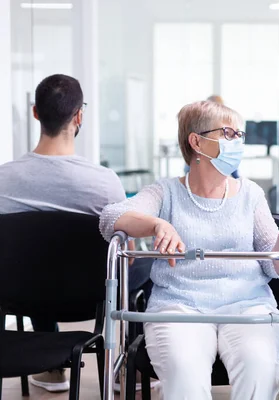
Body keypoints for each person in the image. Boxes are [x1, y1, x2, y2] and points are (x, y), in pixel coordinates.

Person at [100, 100, 279, 400]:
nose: (237, 141)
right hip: (179, 306)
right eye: (228, 133)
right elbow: (110, 218)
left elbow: (272, 265)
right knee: (184, 371)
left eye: (239, 134)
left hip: (247, 305)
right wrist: (157, 225)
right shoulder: (166, 192)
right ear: (196, 141)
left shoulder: (251, 194)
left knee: (259, 366)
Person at [0, 74, 146, 393]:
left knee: (35, 256)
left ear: (36, 113)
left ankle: (52, 369)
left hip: (22, 296)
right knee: (144, 262)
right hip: (88, 298)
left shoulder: (3, 180)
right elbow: (128, 258)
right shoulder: (103, 182)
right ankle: (128, 368)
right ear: (79, 116)